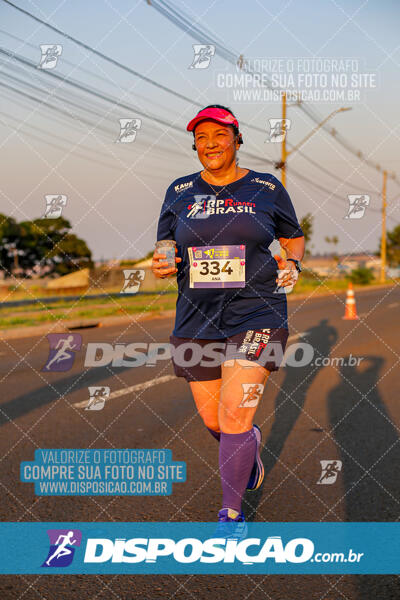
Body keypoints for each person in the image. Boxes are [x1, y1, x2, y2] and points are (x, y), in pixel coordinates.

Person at [152, 105, 305, 536]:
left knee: (235, 416)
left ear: (237, 139)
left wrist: (293, 262)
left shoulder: (265, 187)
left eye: (219, 135)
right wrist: (162, 262)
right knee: (216, 422)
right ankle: (247, 448)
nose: (210, 144)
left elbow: (292, 235)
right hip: (196, 317)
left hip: (258, 310)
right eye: (201, 138)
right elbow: (165, 243)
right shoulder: (179, 190)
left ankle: (231, 515)